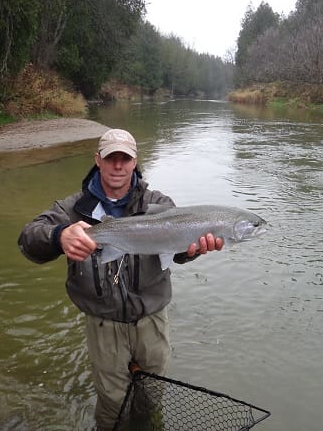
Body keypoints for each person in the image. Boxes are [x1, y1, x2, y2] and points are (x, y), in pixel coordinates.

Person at [17, 128, 224, 430]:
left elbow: (178, 253)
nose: (118, 166)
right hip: (103, 324)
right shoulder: (72, 209)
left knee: (151, 398)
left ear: (134, 162)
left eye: (124, 158)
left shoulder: (158, 203)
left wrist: (194, 250)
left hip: (151, 320)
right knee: (112, 403)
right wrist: (58, 236)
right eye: (111, 158)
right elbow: (28, 241)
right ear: (97, 160)